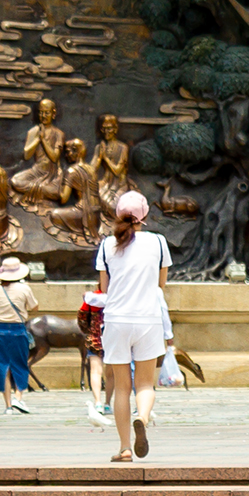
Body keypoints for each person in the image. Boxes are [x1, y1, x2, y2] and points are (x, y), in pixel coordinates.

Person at [94, 191, 171, 463]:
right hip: (148, 318)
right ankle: (143, 417)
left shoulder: (107, 245)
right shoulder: (159, 243)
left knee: (122, 387)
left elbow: (104, 288)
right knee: (146, 384)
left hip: (116, 320)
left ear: (117, 214)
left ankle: (125, 448)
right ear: (145, 216)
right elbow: (161, 285)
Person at [0, 256, 38, 415]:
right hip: (18, 330)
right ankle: (19, 397)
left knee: (2, 366)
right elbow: (34, 307)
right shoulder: (24, 289)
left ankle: (8, 405)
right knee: (20, 364)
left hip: (1, 330)